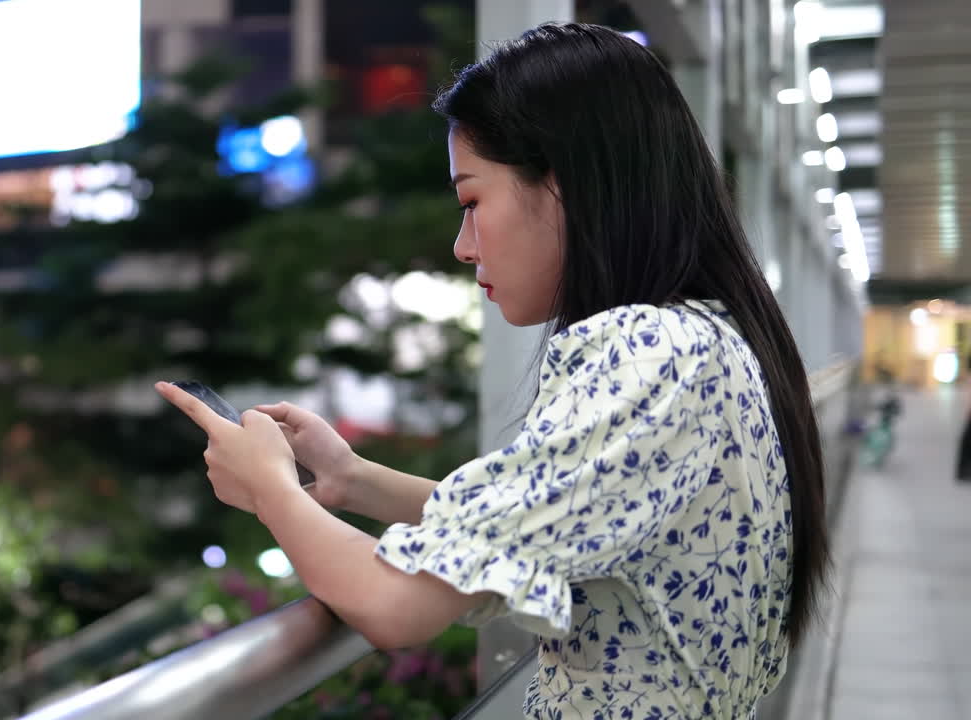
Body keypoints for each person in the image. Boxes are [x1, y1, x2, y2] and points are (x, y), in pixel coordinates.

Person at [156, 22, 828, 719]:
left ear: (565, 184)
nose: (463, 245)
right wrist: (354, 480)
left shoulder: (647, 352)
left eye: (472, 201)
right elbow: (550, 512)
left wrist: (269, 487)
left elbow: (397, 606)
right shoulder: (708, 336)